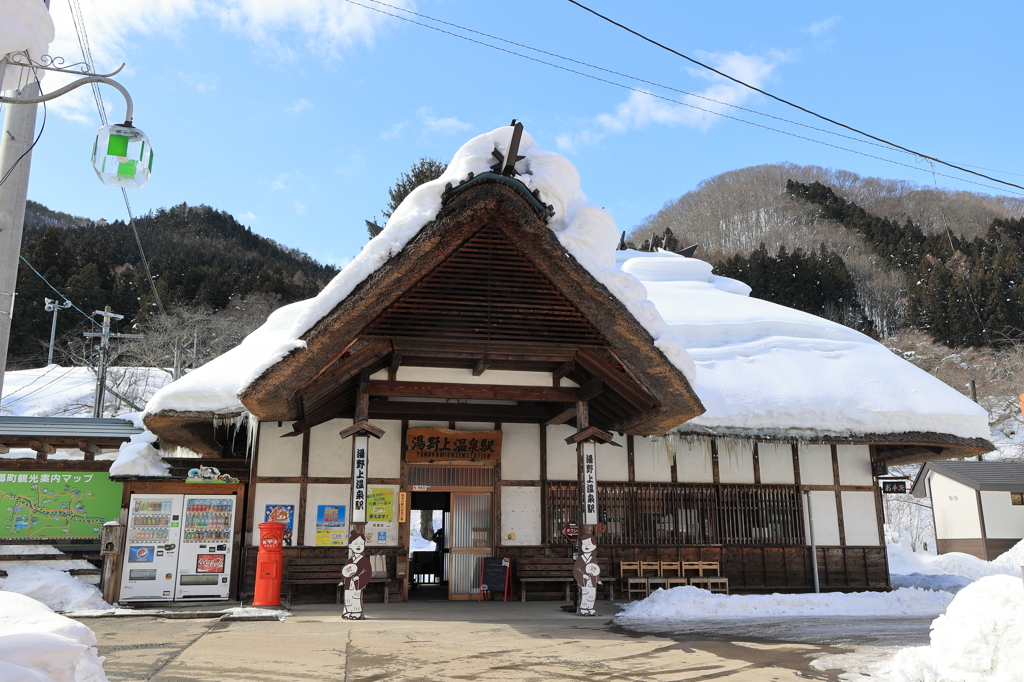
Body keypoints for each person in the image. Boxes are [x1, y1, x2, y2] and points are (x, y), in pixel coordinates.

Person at [340, 532, 371, 620]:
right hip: (349, 582)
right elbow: (345, 571)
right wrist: (343, 580)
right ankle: (348, 611)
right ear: (350, 545)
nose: (359, 545)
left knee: (355, 597)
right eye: (356, 543)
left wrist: (359, 577)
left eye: (361, 543)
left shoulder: (364, 560)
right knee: (348, 597)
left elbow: (367, 572)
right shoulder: (350, 561)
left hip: (357, 583)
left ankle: (356, 612)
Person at [573, 532, 601, 616]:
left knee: (592, 594)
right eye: (584, 544)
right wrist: (582, 575)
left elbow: (595, 570)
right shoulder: (580, 559)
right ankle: (584, 608)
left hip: (592, 580)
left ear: (594, 546)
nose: (586, 545)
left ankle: (590, 608)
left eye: (588, 543)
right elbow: (576, 569)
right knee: (584, 594)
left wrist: (598, 579)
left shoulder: (593, 559)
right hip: (583, 580)